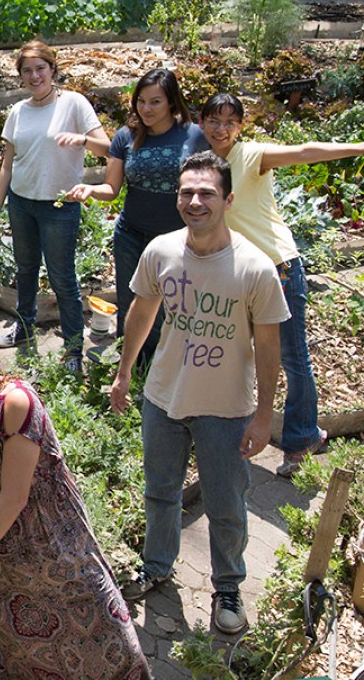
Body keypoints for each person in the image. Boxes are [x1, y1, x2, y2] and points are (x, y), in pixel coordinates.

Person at [0, 312, 148, 676]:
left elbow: (14, 497)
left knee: (100, 644)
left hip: (53, 549)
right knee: (18, 654)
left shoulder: (14, 403)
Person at [112, 151, 289, 636]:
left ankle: (228, 586)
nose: (195, 201)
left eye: (206, 193)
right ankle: (157, 565)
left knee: (227, 504)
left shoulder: (255, 268)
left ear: (228, 199)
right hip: (164, 397)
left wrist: (262, 418)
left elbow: (268, 349)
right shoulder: (162, 251)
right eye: (187, 192)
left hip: (226, 409)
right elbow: (141, 314)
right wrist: (125, 373)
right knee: (160, 492)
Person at [199, 92, 364, 477]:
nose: (222, 129)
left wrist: (359, 145)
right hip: (239, 275)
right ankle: (235, 429)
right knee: (239, 353)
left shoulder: (252, 155)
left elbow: (305, 151)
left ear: (241, 126)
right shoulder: (204, 163)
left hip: (278, 267)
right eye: (214, 120)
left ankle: (303, 437)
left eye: (230, 122)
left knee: (291, 355)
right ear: (202, 122)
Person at [0, 40, 110, 374]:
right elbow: (7, 167)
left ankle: (72, 350)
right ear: (21, 76)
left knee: (62, 278)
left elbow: (107, 148)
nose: (34, 76)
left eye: (40, 68)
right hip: (23, 203)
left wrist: (82, 139)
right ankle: (24, 328)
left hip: (59, 205)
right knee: (25, 270)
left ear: (52, 69)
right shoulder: (18, 111)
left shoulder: (74, 104)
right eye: (27, 70)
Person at [66, 68, 204, 365]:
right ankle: (131, 368)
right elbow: (112, 188)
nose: (146, 109)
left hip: (175, 239)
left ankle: (164, 369)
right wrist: (90, 190)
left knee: (170, 306)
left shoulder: (192, 135)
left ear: (171, 102)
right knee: (131, 305)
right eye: (141, 101)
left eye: (155, 101)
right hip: (131, 236)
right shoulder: (126, 136)